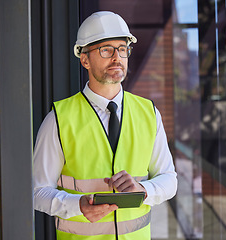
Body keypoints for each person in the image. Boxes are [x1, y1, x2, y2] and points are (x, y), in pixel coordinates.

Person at [33, 11, 177, 240]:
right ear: (85, 59)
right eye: (106, 49)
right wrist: (77, 205)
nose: (117, 57)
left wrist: (144, 190)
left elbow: (169, 179)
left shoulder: (149, 113)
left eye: (122, 48)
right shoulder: (58, 119)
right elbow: (37, 191)